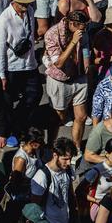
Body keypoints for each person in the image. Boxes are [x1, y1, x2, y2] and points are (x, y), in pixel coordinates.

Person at [0, 0, 39, 140]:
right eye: (23, 2)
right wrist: (1, 75)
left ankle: (19, 124)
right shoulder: (4, 20)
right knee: (6, 103)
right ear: (14, 1)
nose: (26, 5)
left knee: (35, 95)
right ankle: (7, 132)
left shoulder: (30, 11)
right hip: (11, 67)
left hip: (29, 64)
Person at [44, 10, 89, 150]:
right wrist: (74, 41)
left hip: (79, 76)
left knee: (81, 116)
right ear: (71, 24)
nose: (83, 31)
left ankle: (76, 148)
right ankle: (51, 147)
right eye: (81, 28)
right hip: (60, 79)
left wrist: (86, 63)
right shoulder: (52, 34)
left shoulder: (82, 30)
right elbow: (58, 63)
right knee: (59, 118)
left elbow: (86, 46)